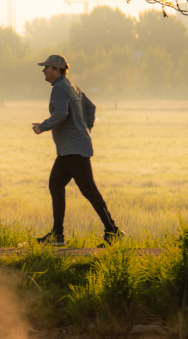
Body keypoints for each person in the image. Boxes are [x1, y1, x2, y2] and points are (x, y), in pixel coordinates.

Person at [30, 55, 122, 246]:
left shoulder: (59, 88)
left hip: (74, 150)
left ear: (56, 69)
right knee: (56, 184)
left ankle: (112, 232)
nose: (43, 71)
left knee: (89, 190)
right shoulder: (72, 87)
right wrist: (85, 128)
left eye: (46, 67)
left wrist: (43, 126)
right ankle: (57, 235)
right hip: (70, 149)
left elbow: (61, 113)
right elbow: (91, 107)